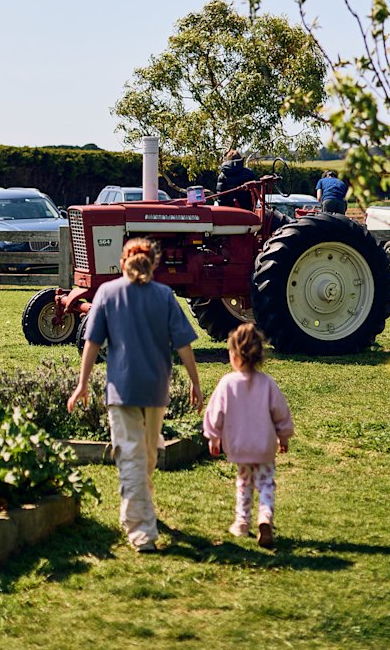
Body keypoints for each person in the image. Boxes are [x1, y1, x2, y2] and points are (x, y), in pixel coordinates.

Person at [67, 237, 203, 553]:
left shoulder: (107, 293)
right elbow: (183, 344)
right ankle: (141, 524)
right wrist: (195, 382)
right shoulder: (164, 295)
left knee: (136, 455)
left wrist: (82, 383)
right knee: (143, 454)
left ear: (122, 261)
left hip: (122, 388)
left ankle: (139, 521)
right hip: (156, 388)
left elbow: (92, 343)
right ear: (154, 262)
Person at [203, 323, 294, 548]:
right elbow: (280, 413)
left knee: (244, 482)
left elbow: (215, 414)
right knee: (265, 483)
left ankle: (242, 522)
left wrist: (214, 438)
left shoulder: (227, 384)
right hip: (263, 447)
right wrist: (283, 437)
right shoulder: (268, 384)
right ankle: (265, 518)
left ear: (234, 356)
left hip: (239, 446)